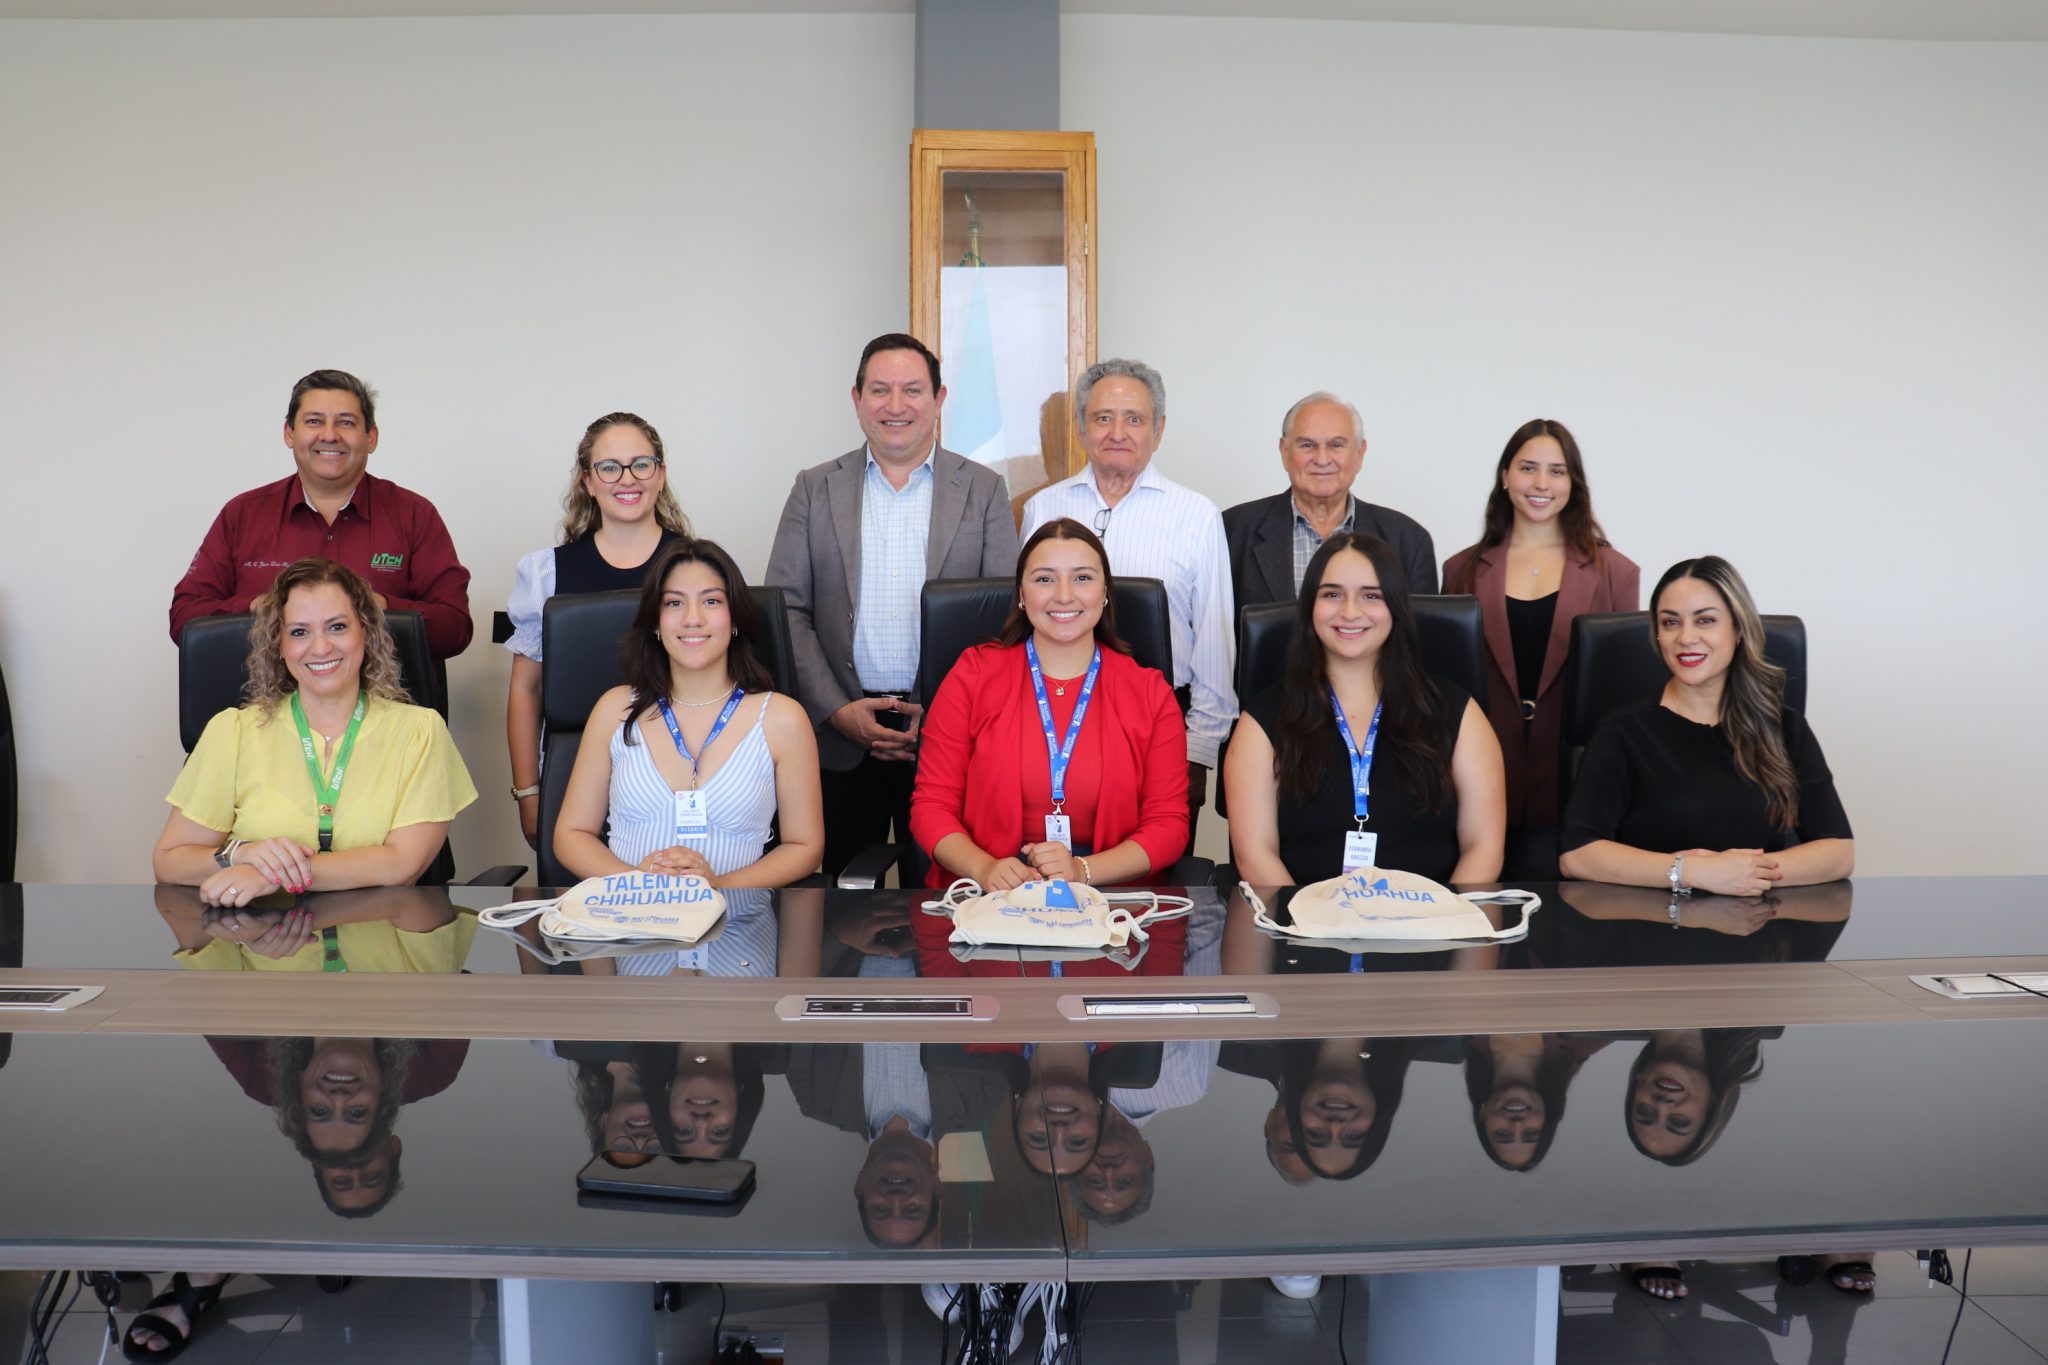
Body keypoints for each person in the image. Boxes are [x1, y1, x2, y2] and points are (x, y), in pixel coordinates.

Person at [765, 333, 1020, 882]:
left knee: (945, 898)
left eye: (913, 390)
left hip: (950, 731)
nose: (896, 405)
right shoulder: (814, 488)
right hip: (839, 733)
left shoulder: (983, 490)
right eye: (880, 390)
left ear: (939, 399)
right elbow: (786, 610)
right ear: (857, 399)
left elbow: (1003, 616)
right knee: (839, 897)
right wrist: (836, 709)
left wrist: (943, 711)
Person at [152, 558, 477, 907]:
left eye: (337, 627)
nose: (320, 648)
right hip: (257, 935)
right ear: (279, 644)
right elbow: (169, 861)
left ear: (366, 632)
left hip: (380, 933)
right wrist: (242, 854)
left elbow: (402, 864)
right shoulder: (232, 731)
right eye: (299, 632)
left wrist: (274, 876)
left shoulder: (419, 731)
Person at [1021, 358, 1234, 860]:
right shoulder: (1043, 508)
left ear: (1158, 430)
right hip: (1054, 721)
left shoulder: (1196, 515)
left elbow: (1214, 642)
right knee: (1054, 874)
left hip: (1163, 730)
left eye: (1134, 419)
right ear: (1081, 427)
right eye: (1102, 418)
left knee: (1152, 874)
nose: (1117, 432)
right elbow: (1028, 616)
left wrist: (1196, 752)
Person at [910, 518, 1189, 891]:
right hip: (987, 896)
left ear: (1105, 592)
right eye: (1044, 579)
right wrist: (984, 868)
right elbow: (931, 807)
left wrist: (1081, 871)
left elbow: (1168, 825)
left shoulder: (1150, 694)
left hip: (1111, 901)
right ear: (1021, 594)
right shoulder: (972, 675)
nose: (1064, 595)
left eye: (1082, 578)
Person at [1558, 556, 1854, 895]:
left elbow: (1838, 853)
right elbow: (1578, 855)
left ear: (1738, 629)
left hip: (1755, 920)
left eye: (1705, 620)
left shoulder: (1784, 727)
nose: (1686, 637)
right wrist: (1693, 872)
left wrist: (1741, 874)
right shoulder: (1621, 732)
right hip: (1652, 921)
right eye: (1671, 622)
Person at [1224, 533, 1506, 886]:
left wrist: (1448, 915)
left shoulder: (1458, 712)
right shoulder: (1262, 721)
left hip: (1434, 917)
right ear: (1309, 606)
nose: (1350, 612)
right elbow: (1254, 855)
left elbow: (1484, 848)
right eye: (1332, 594)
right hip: (1299, 916)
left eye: (1371, 595)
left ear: (1396, 608)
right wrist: (1301, 916)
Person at [554, 538, 824, 887]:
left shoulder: (782, 719)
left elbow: (805, 847)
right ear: (655, 622)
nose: (692, 618)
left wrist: (716, 885)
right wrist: (638, 882)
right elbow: (571, 835)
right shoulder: (614, 710)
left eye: (711, 601)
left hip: (736, 916)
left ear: (735, 618)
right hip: (629, 914)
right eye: (674, 602)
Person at [169, 369, 473, 661]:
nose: (329, 435)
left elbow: (456, 628)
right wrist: (260, 607)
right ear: (289, 433)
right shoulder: (242, 515)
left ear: (371, 437)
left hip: (384, 695)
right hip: (264, 695)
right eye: (314, 421)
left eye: (346, 423)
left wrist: (378, 606)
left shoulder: (415, 515)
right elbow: (184, 620)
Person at [1443, 419, 1639, 838]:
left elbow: (1622, 696)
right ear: (1505, 476)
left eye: (1557, 471)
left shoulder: (1616, 573)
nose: (1541, 484)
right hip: (1481, 770)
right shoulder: (1461, 570)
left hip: (1579, 774)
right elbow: (1445, 687)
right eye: (1528, 468)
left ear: (1574, 483)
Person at [504, 412, 690, 848]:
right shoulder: (546, 572)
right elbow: (526, 690)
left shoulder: (697, 567)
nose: (627, 479)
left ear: (660, 474)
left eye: (641, 464)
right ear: (588, 481)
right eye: (609, 467)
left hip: (681, 775)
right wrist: (528, 794)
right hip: (574, 781)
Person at [1222, 390, 1437, 614]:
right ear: (1284, 452)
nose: (1322, 459)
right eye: (1307, 445)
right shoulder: (1231, 531)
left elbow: (1418, 634)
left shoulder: (1408, 541)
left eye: (1336, 445)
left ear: (1360, 453)